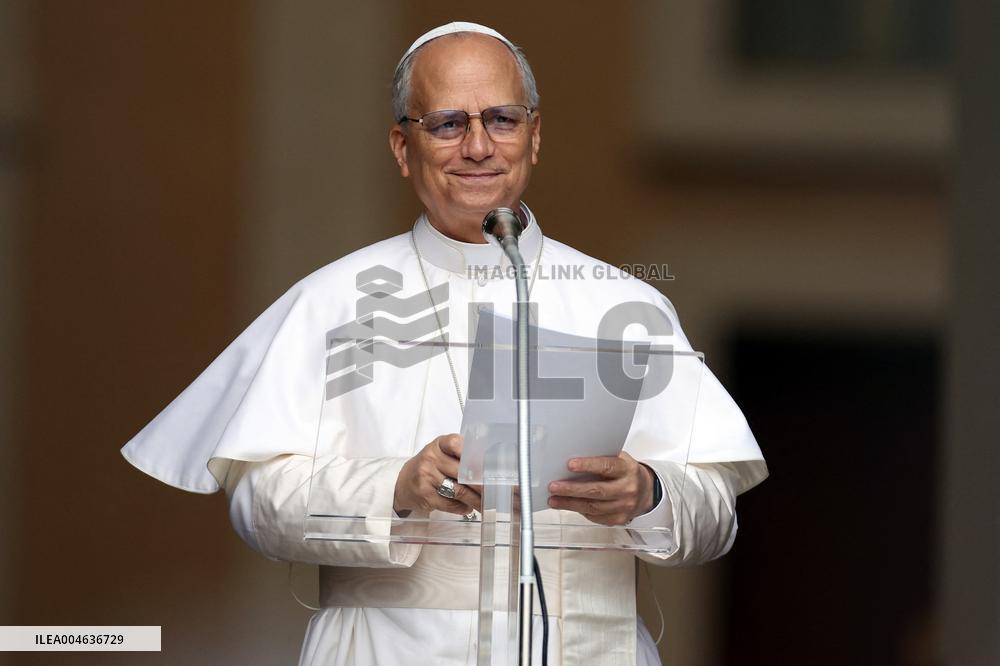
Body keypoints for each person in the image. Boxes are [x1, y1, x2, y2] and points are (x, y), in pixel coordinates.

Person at [122, 22, 767, 665]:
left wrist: (648, 493)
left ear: (534, 137)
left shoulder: (624, 304)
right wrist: (398, 489)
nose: (480, 147)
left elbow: (714, 517)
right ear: (403, 147)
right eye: (449, 124)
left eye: (502, 120)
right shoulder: (334, 301)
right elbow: (259, 508)